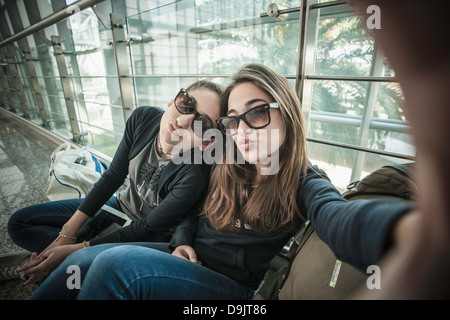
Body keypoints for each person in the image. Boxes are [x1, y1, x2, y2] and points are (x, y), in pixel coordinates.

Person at [29, 63, 413, 300]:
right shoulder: (229, 162)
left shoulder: (303, 180)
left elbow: (337, 217)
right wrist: (181, 243)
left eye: (257, 113)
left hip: (232, 288)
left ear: (288, 115)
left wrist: (399, 231)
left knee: (117, 266)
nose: (242, 129)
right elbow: (193, 216)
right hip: (187, 260)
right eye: (233, 119)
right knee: (82, 259)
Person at [5, 80, 224, 284]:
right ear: (172, 100)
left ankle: (47, 264)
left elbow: (145, 228)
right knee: (19, 224)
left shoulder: (195, 174)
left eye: (201, 124)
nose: (184, 120)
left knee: (97, 266)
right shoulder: (143, 118)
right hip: (120, 206)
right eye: (186, 104)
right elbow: (113, 177)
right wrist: (66, 233)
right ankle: (55, 262)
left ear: (207, 142)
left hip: (150, 234)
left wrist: (77, 249)